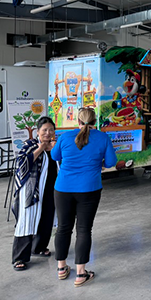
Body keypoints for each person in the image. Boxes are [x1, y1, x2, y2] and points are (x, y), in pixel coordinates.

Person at [52, 107, 117, 286]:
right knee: (83, 229)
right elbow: (111, 162)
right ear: (95, 121)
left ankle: (61, 268)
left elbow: (54, 155)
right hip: (89, 188)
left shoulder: (65, 136)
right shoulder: (103, 138)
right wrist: (98, 163)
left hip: (63, 188)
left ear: (78, 121)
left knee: (63, 228)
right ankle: (81, 274)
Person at [11, 117, 58, 271]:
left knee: (46, 219)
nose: (48, 133)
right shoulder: (30, 145)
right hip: (31, 191)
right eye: (44, 130)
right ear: (37, 131)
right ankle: (19, 257)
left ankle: (38, 247)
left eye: (51, 130)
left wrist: (53, 149)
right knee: (26, 222)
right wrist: (41, 148)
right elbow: (21, 164)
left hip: (51, 190)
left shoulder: (55, 146)